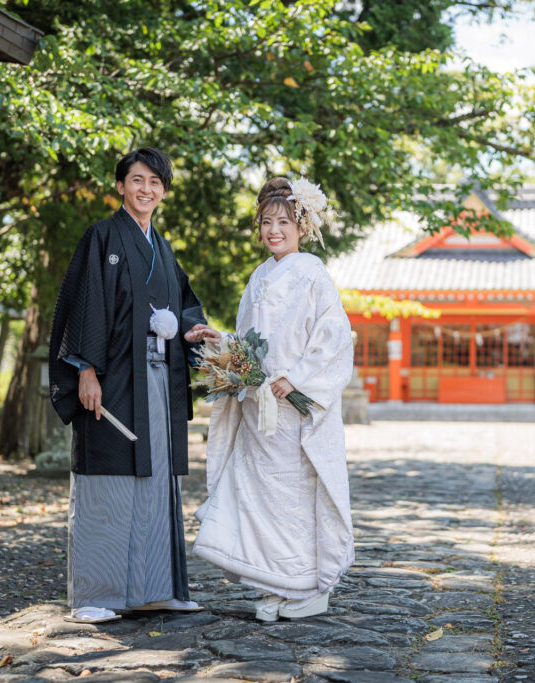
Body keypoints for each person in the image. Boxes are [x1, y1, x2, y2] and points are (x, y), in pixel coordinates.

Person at [48, 147, 218, 624]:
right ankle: (95, 593)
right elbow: (84, 306)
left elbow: (185, 304)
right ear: (120, 185)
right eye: (137, 180)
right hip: (113, 376)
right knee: (109, 478)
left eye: (155, 183)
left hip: (159, 379)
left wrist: (190, 330)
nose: (146, 189)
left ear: (163, 191)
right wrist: (84, 369)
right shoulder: (101, 237)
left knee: (157, 477)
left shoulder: (162, 248)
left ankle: (155, 588)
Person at [193, 177, 355, 622]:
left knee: (294, 496)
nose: (273, 231)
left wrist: (296, 378)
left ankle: (304, 586)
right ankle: (270, 584)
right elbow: (250, 342)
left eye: (283, 221)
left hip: (291, 405)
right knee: (258, 495)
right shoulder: (259, 275)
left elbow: (334, 337)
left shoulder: (312, 272)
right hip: (257, 406)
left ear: (301, 226)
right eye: (266, 222)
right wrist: (223, 344)